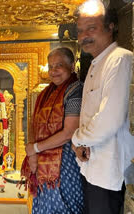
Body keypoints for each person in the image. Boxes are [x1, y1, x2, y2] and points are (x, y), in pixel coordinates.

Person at [71, 1, 134, 214]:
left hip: (109, 172)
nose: (83, 36)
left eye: (92, 28)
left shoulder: (120, 60)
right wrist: (81, 144)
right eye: (80, 31)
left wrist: (76, 140)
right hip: (92, 166)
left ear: (111, 27)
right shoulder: (96, 64)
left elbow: (109, 120)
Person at [22, 47, 84, 214]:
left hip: (65, 163)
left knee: (65, 204)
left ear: (72, 67)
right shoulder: (46, 93)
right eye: (50, 67)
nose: (53, 71)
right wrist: (33, 153)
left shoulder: (75, 90)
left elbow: (69, 133)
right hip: (43, 165)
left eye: (59, 65)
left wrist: (35, 149)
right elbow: (35, 125)